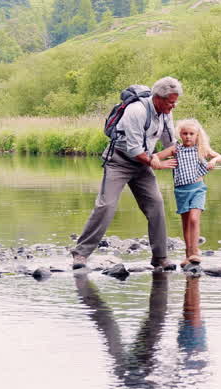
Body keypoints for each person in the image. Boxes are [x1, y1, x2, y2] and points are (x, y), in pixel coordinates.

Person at [71, 77, 182, 271]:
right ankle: (80, 253)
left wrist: (189, 156)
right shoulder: (136, 111)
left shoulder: (166, 113)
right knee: (106, 205)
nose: (174, 105)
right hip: (119, 161)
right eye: (170, 101)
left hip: (143, 164)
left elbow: (169, 143)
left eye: (175, 101)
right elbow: (134, 150)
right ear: (158, 97)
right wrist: (155, 163)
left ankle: (160, 257)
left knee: (156, 205)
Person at [151, 118, 221, 267]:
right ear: (180, 134)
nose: (188, 136)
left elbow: (219, 156)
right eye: (185, 133)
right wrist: (159, 165)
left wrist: (213, 161)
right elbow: (156, 156)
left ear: (197, 135)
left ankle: (195, 252)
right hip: (181, 191)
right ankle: (188, 255)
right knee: (185, 223)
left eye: (191, 133)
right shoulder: (175, 149)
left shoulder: (201, 149)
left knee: (194, 219)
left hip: (198, 188)